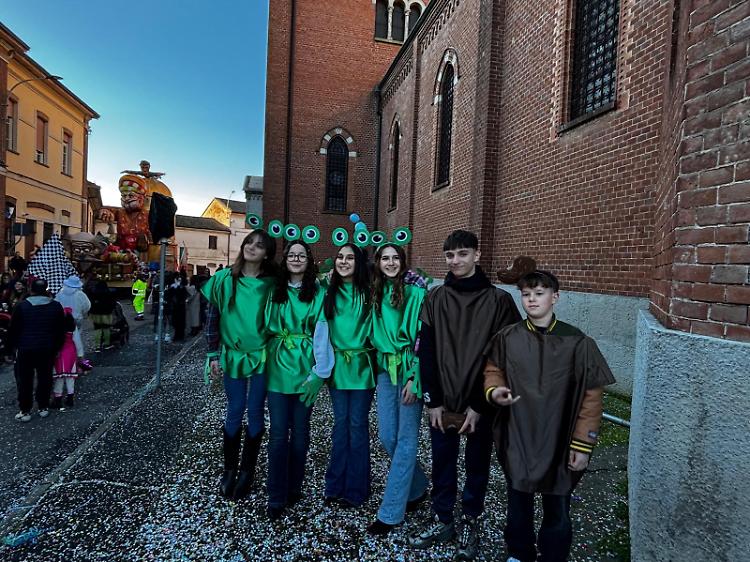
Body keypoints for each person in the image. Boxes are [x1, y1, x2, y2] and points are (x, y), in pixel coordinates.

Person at [483, 270, 615, 562]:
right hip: (519, 434)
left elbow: (592, 398)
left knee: (558, 505)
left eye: (539, 294)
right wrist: (495, 390)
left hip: (560, 438)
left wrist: (583, 444)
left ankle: (553, 554)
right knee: (518, 500)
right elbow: (493, 370)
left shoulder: (577, 342)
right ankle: (520, 552)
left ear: (555, 297)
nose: (532, 300)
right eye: (526, 294)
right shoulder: (507, 337)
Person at [408, 230, 521, 560]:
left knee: (477, 464)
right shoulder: (435, 298)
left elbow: (503, 357)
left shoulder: (499, 301)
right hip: (443, 399)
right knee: (442, 462)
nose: (455, 260)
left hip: (479, 402)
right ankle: (442, 518)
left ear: (477, 255)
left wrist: (479, 404)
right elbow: (426, 351)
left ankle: (471, 519)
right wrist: (433, 400)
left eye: (462, 253)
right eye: (450, 255)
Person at [201, 230, 278, 501]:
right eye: (249, 242)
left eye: (259, 245)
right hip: (232, 355)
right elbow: (212, 319)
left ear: (267, 253)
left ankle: (248, 471)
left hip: (262, 357)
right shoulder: (224, 279)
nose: (252, 247)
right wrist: (212, 355)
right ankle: (230, 470)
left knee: (255, 410)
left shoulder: (272, 284)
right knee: (234, 409)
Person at [264, 240, 334, 520]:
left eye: (301, 255)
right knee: (278, 432)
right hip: (277, 365)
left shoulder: (317, 293)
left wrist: (319, 372)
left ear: (309, 260)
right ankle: (275, 494)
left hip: (306, 366)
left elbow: (322, 332)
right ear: (285, 260)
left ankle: (294, 486)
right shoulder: (274, 290)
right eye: (291, 254)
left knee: (301, 431)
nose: (295, 259)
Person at [366, 243, 429, 536]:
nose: (390, 263)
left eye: (395, 258)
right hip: (385, 368)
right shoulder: (375, 291)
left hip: (408, 368)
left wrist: (414, 377)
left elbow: (422, 336)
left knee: (406, 439)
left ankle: (391, 513)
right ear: (378, 262)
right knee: (387, 435)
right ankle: (417, 486)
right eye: (385, 258)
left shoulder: (415, 292)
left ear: (402, 261)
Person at [323, 243, 375, 509]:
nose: (344, 261)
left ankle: (357, 488)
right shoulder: (327, 291)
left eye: (350, 258)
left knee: (357, 425)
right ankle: (334, 484)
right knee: (340, 424)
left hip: (362, 367)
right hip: (338, 366)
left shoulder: (369, 292)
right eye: (340, 257)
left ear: (359, 263)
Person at [6, 279, 66, 421]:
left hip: (25, 348)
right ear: (46, 290)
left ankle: (25, 410)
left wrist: (9, 350)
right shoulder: (56, 306)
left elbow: (13, 330)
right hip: (47, 348)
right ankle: (43, 406)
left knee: (24, 380)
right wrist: (58, 347)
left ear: (31, 290)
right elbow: (60, 330)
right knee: (45, 378)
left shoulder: (22, 306)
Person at [55, 276, 92, 369]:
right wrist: (82, 312)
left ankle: (66, 358)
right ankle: (78, 358)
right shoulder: (80, 294)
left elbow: (55, 304)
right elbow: (87, 306)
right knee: (77, 337)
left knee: (66, 339)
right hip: (76, 318)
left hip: (63, 319)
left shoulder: (60, 293)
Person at [52, 307, 79, 409]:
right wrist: (80, 354)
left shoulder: (56, 328)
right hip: (70, 351)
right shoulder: (72, 328)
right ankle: (70, 397)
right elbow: (77, 340)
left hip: (59, 352)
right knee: (70, 377)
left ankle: (58, 399)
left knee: (59, 377)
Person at [89, 280, 117, 351]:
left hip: (95, 314)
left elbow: (90, 304)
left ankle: (97, 346)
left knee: (97, 330)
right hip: (106, 314)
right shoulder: (108, 293)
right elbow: (113, 304)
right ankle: (106, 344)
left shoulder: (93, 293)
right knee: (106, 329)